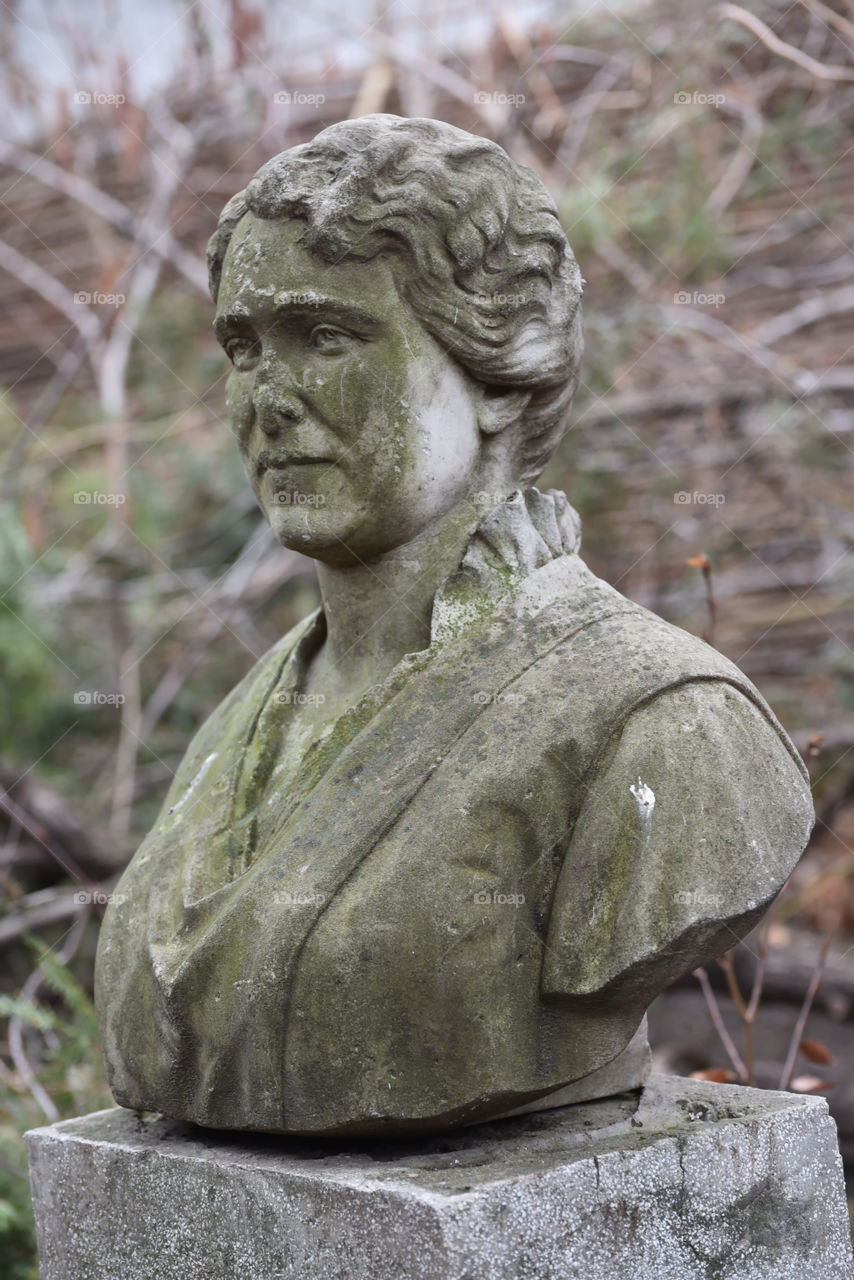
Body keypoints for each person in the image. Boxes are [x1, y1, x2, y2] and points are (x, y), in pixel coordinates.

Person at [95, 115, 813, 1136]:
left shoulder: (665, 722)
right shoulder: (242, 722)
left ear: (494, 370)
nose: (270, 399)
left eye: (326, 336)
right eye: (244, 348)